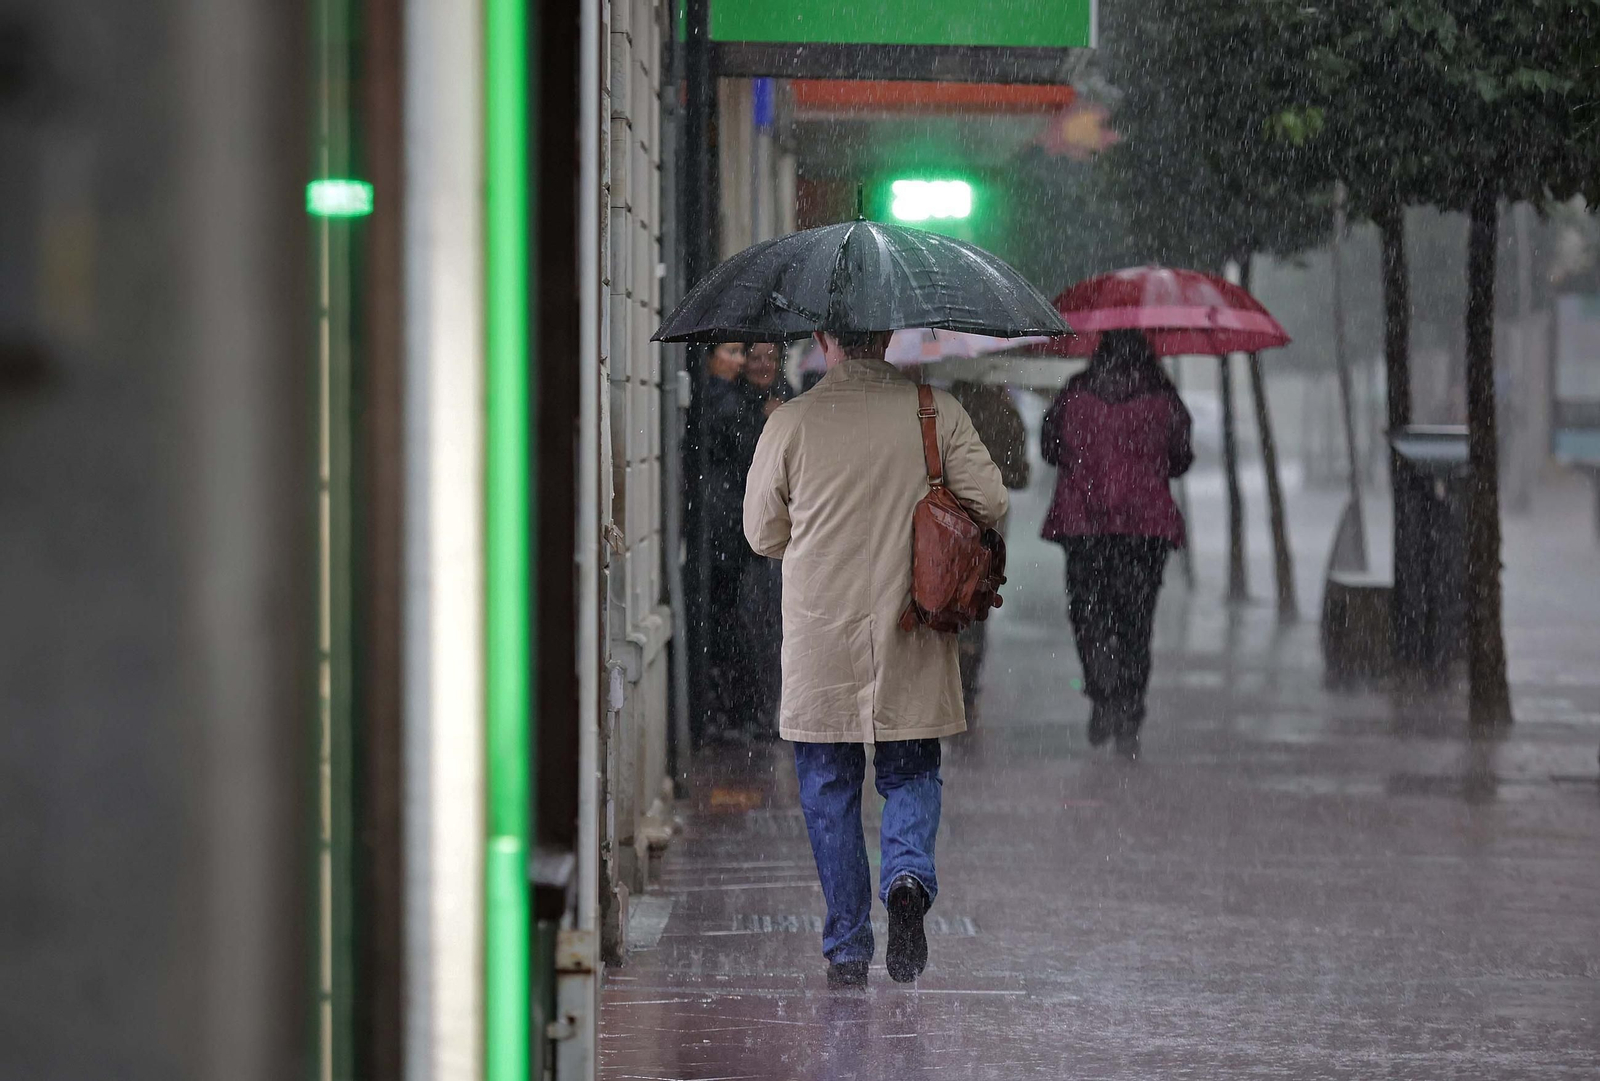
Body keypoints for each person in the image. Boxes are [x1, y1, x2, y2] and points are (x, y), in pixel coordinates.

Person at [744, 329, 1007, 988]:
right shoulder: (934, 410)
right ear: (889, 336)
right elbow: (993, 500)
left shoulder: (792, 422)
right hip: (910, 624)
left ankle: (848, 943)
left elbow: (762, 532)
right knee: (911, 768)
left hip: (820, 635)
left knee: (829, 791)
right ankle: (908, 873)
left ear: (823, 338)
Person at [1040, 329, 1193, 759]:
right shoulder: (1162, 396)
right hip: (1144, 531)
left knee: (1088, 616)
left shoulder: (1076, 392)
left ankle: (1103, 691)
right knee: (1135, 624)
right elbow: (1181, 457)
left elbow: (1049, 448)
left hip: (1084, 526)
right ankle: (1128, 713)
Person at [947, 380, 1030, 719]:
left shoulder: (942, 409)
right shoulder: (1005, 412)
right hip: (990, 524)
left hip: (944, 520)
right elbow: (1020, 475)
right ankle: (968, 677)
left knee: (944, 591)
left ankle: (950, 673)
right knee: (979, 595)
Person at [692, 340, 757, 744]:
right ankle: (724, 708)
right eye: (731, 352)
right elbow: (745, 454)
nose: (738, 361)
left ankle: (720, 707)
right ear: (711, 356)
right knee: (726, 614)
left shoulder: (718, 398)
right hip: (724, 522)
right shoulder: (728, 402)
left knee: (723, 613)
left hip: (719, 521)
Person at [735, 343, 794, 738]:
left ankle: (769, 710)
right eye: (755, 358)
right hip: (743, 535)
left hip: (781, 535)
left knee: (774, 627)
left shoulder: (791, 400)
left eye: (769, 358)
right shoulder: (737, 402)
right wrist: (761, 421)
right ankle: (753, 710)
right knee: (749, 626)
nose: (762, 366)